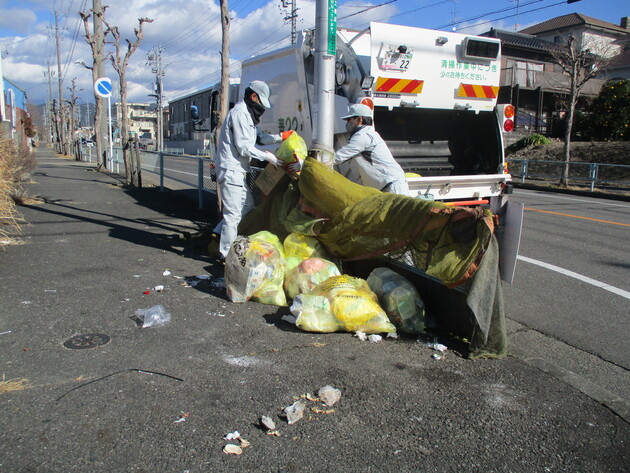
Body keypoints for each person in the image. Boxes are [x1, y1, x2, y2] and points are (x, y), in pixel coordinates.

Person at [213, 80, 292, 262]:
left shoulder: (247, 115)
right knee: (232, 215)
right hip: (231, 169)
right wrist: (269, 158)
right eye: (260, 103)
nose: (261, 109)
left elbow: (260, 138)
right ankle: (226, 256)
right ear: (253, 96)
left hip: (238, 171)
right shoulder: (240, 114)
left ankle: (218, 233)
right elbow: (243, 147)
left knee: (247, 206)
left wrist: (281, 137)